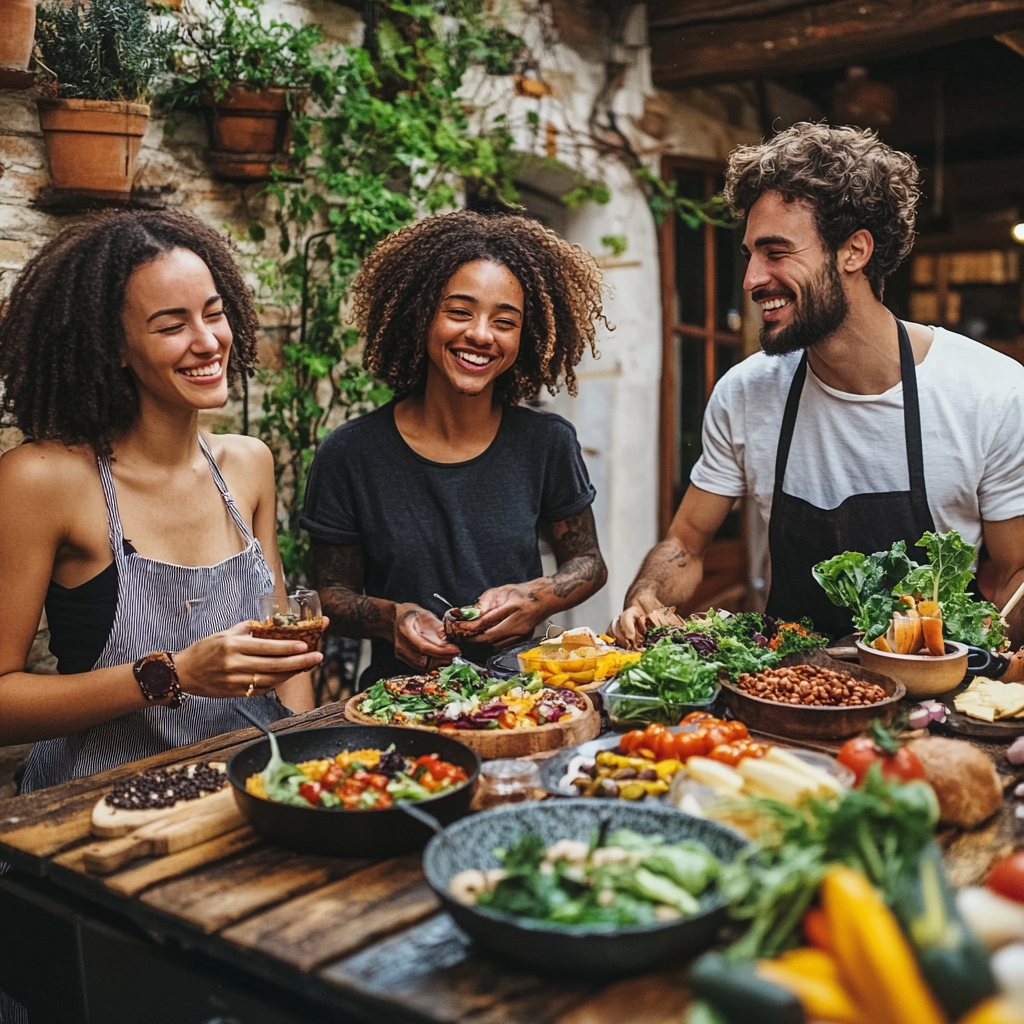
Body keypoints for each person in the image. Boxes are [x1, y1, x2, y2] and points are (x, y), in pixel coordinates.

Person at [614, 122, 1024, 646]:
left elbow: (1015, 578)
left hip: (930, 703)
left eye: (776, 252)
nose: (751, 280)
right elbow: (687, 543)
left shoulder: (991, 393)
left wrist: (968, 661)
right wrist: (647, 596)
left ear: (853, 251)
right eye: (750, 256)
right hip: (784, 690)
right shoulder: (744, 393)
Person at [0, 210, 324, 793]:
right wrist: (173, 674)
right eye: (172, 325)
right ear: (114, 347)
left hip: (244, 798)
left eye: (215, 312)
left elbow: (283, 657)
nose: (208, 341)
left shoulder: (248, 465)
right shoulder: (43, 479)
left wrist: (298, 777)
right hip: (96, 809)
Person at [302, 210, 608, 686]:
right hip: (399, 701)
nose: (481, 335)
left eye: (504, 321)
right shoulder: (351, 454)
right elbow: (330, 595)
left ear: (524, 337)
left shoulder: (546, 442)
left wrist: (539, 597)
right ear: (420, 315)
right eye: (459, 312)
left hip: (524, 697)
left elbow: (588, 563)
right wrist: (392, 618)